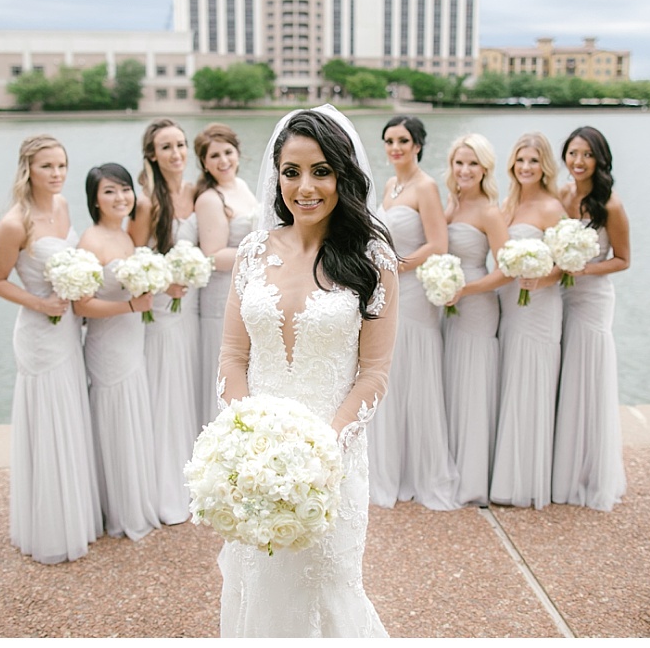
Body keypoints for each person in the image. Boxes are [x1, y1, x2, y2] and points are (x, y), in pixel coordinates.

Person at [216, 105, 398, 638]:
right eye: (291, 172)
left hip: (332, 452)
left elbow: (374, 373)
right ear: (276, 176)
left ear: (343, 173)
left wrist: (324, 444)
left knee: (327, 586)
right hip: (252, 455)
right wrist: (244, 436)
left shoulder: (373, 257)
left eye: (321, 171)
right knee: (258, 582)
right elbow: (232, 356)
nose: (305, 187)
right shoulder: (252, 252)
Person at [0, 133, 103, 563]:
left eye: (61, 166)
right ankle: (51, 529)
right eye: (47, 167)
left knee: (69, 417)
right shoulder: (14, 223)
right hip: (39, 332)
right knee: (49, 421)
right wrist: (40, 302)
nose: (56, 175)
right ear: (28, 170)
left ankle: (77, 515)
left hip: (69, 328)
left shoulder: (64, 206)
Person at [369, 115, 460, 510]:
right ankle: (393, 465)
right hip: (388, 290)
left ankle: (420, 470)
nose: (395, 147)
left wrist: (396, 265)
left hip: (413, 292)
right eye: (389, 140)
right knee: (392, 374)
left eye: (403, 140)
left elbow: (438, 243)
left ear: (418, 145)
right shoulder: (389, 186)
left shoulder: (425, 187)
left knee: (413, 373)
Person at [74, 163, 160, 540]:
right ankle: (116, 507)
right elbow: (82, 305)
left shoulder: (127, 236)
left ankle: (136, 497)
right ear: (94, 198)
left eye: (125, 190)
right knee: (114, 412)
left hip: (131, 336)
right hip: (107, 340)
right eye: (109, 191)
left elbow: (152, 206)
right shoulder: (89, 242)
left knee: (133, 410)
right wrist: (130, 307)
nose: (120, 197)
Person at [552, 127, 630, 511]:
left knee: (587, 375)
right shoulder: (561, 194)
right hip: (558, 293)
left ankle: (590, 473)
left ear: (599, 160)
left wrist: (582, 269)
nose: (578, 161)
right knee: (563, 375)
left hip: (592, 297)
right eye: (572, 153)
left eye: (586, 155)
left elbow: (623, 259)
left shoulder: (610, 204)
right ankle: (559, 468)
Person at [129, 118, 201, 525]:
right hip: (162, 312)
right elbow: (136, 261)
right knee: (166, 394)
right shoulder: (146, 203)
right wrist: (164, 285)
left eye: (181, 145)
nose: (176, 154)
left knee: (188, 389)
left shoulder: (196, 193)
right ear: (153, 156)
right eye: (167, 147)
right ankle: (165, 489)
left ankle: (194, 480)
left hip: (191, 310)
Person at [490, 132, 565, 510]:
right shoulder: (507, 204)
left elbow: (567, 265)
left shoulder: (553, 208)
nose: (525, 167)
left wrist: (542, 277)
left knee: (530, 380)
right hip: (509, 303)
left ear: (544, 166)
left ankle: (525, 480)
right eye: (520, 160)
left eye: (533, 161)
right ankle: (503, 473)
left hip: (540, 306)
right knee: (510, 379)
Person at [440, 134, 509, 508]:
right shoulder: (450, 204)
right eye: (459, 163)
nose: (464, 170)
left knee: (473, 384)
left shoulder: (489, 211)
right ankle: (448, 466)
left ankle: (474, 478)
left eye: (472, 164)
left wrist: (466, 289)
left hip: (477, 305)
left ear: (485, 169)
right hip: (447, 304)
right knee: (452, 382)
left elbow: (506, 271)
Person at [193, 123, 258, 430]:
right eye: (214, 155)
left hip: (249, 292)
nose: (223, 161)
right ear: (204, 163)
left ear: (237, 153)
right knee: (225, 375)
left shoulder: (242, 187)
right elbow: (215, 255)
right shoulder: (210, 198)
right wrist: (265, 251)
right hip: (221, 297)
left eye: (228, 152)